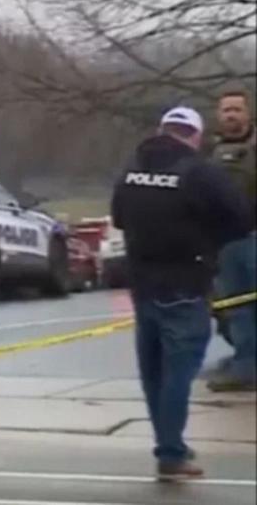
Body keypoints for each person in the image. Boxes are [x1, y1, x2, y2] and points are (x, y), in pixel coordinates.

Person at [110, 106, 253, 481]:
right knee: (179, 372)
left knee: (154, 372)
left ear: (161, 130)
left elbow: (118, 218)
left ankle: (168, 445)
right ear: (194, 135)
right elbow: (240, 218)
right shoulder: (199, 171)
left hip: (142, 284)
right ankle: (171, 453)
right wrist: (210, 243)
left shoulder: (131, 170)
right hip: (186, 285)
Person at [206, 90, 257, 392]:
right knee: (234, 308)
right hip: (224, 242)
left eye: (237, 109)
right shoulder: (210, 152)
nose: (231, 115)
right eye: (226, 110)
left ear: (248, 113)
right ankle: (245, 363)